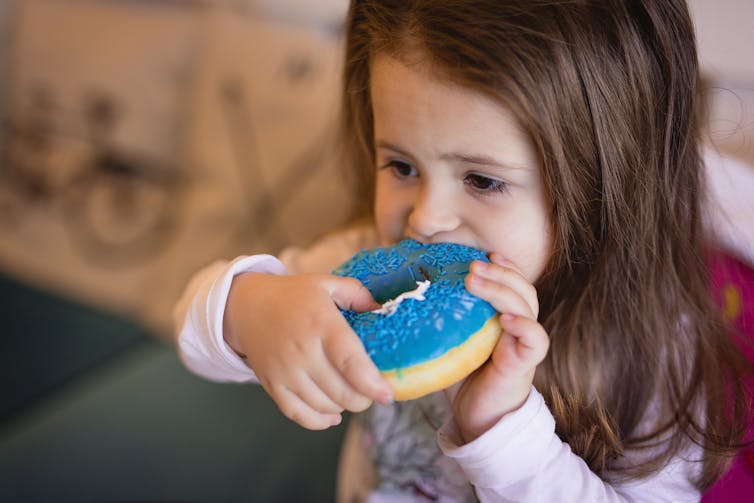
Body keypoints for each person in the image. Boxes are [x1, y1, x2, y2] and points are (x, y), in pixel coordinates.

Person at [174, 1, 754, 501]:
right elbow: (196, 337)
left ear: (600, 187)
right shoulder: (368, 268)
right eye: (401, 166)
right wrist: (251, 310)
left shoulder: (656, 352)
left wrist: (501, 428)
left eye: (481, 180)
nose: (425, 218)